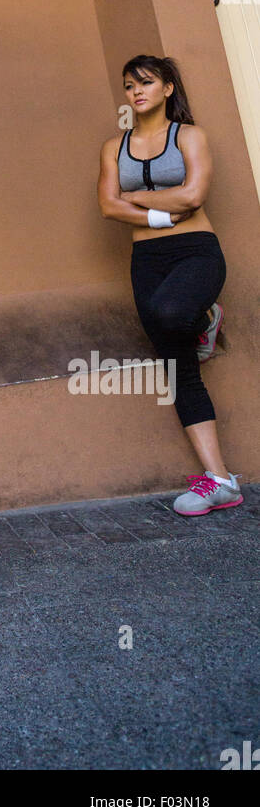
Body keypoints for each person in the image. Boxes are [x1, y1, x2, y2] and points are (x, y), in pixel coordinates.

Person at [97, 54, 241, 516]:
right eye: (128, 85)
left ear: (167, 89)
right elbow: (107, 207)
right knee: (179, 371)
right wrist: (159, 210)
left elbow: (195, 195)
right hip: (147, 260)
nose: (136, 91)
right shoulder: (112, 147)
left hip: (196, 251)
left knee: (169, 314)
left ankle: (205, 319)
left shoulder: (190, 136)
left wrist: (134, 197)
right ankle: (220, 481)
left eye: (145, 82)